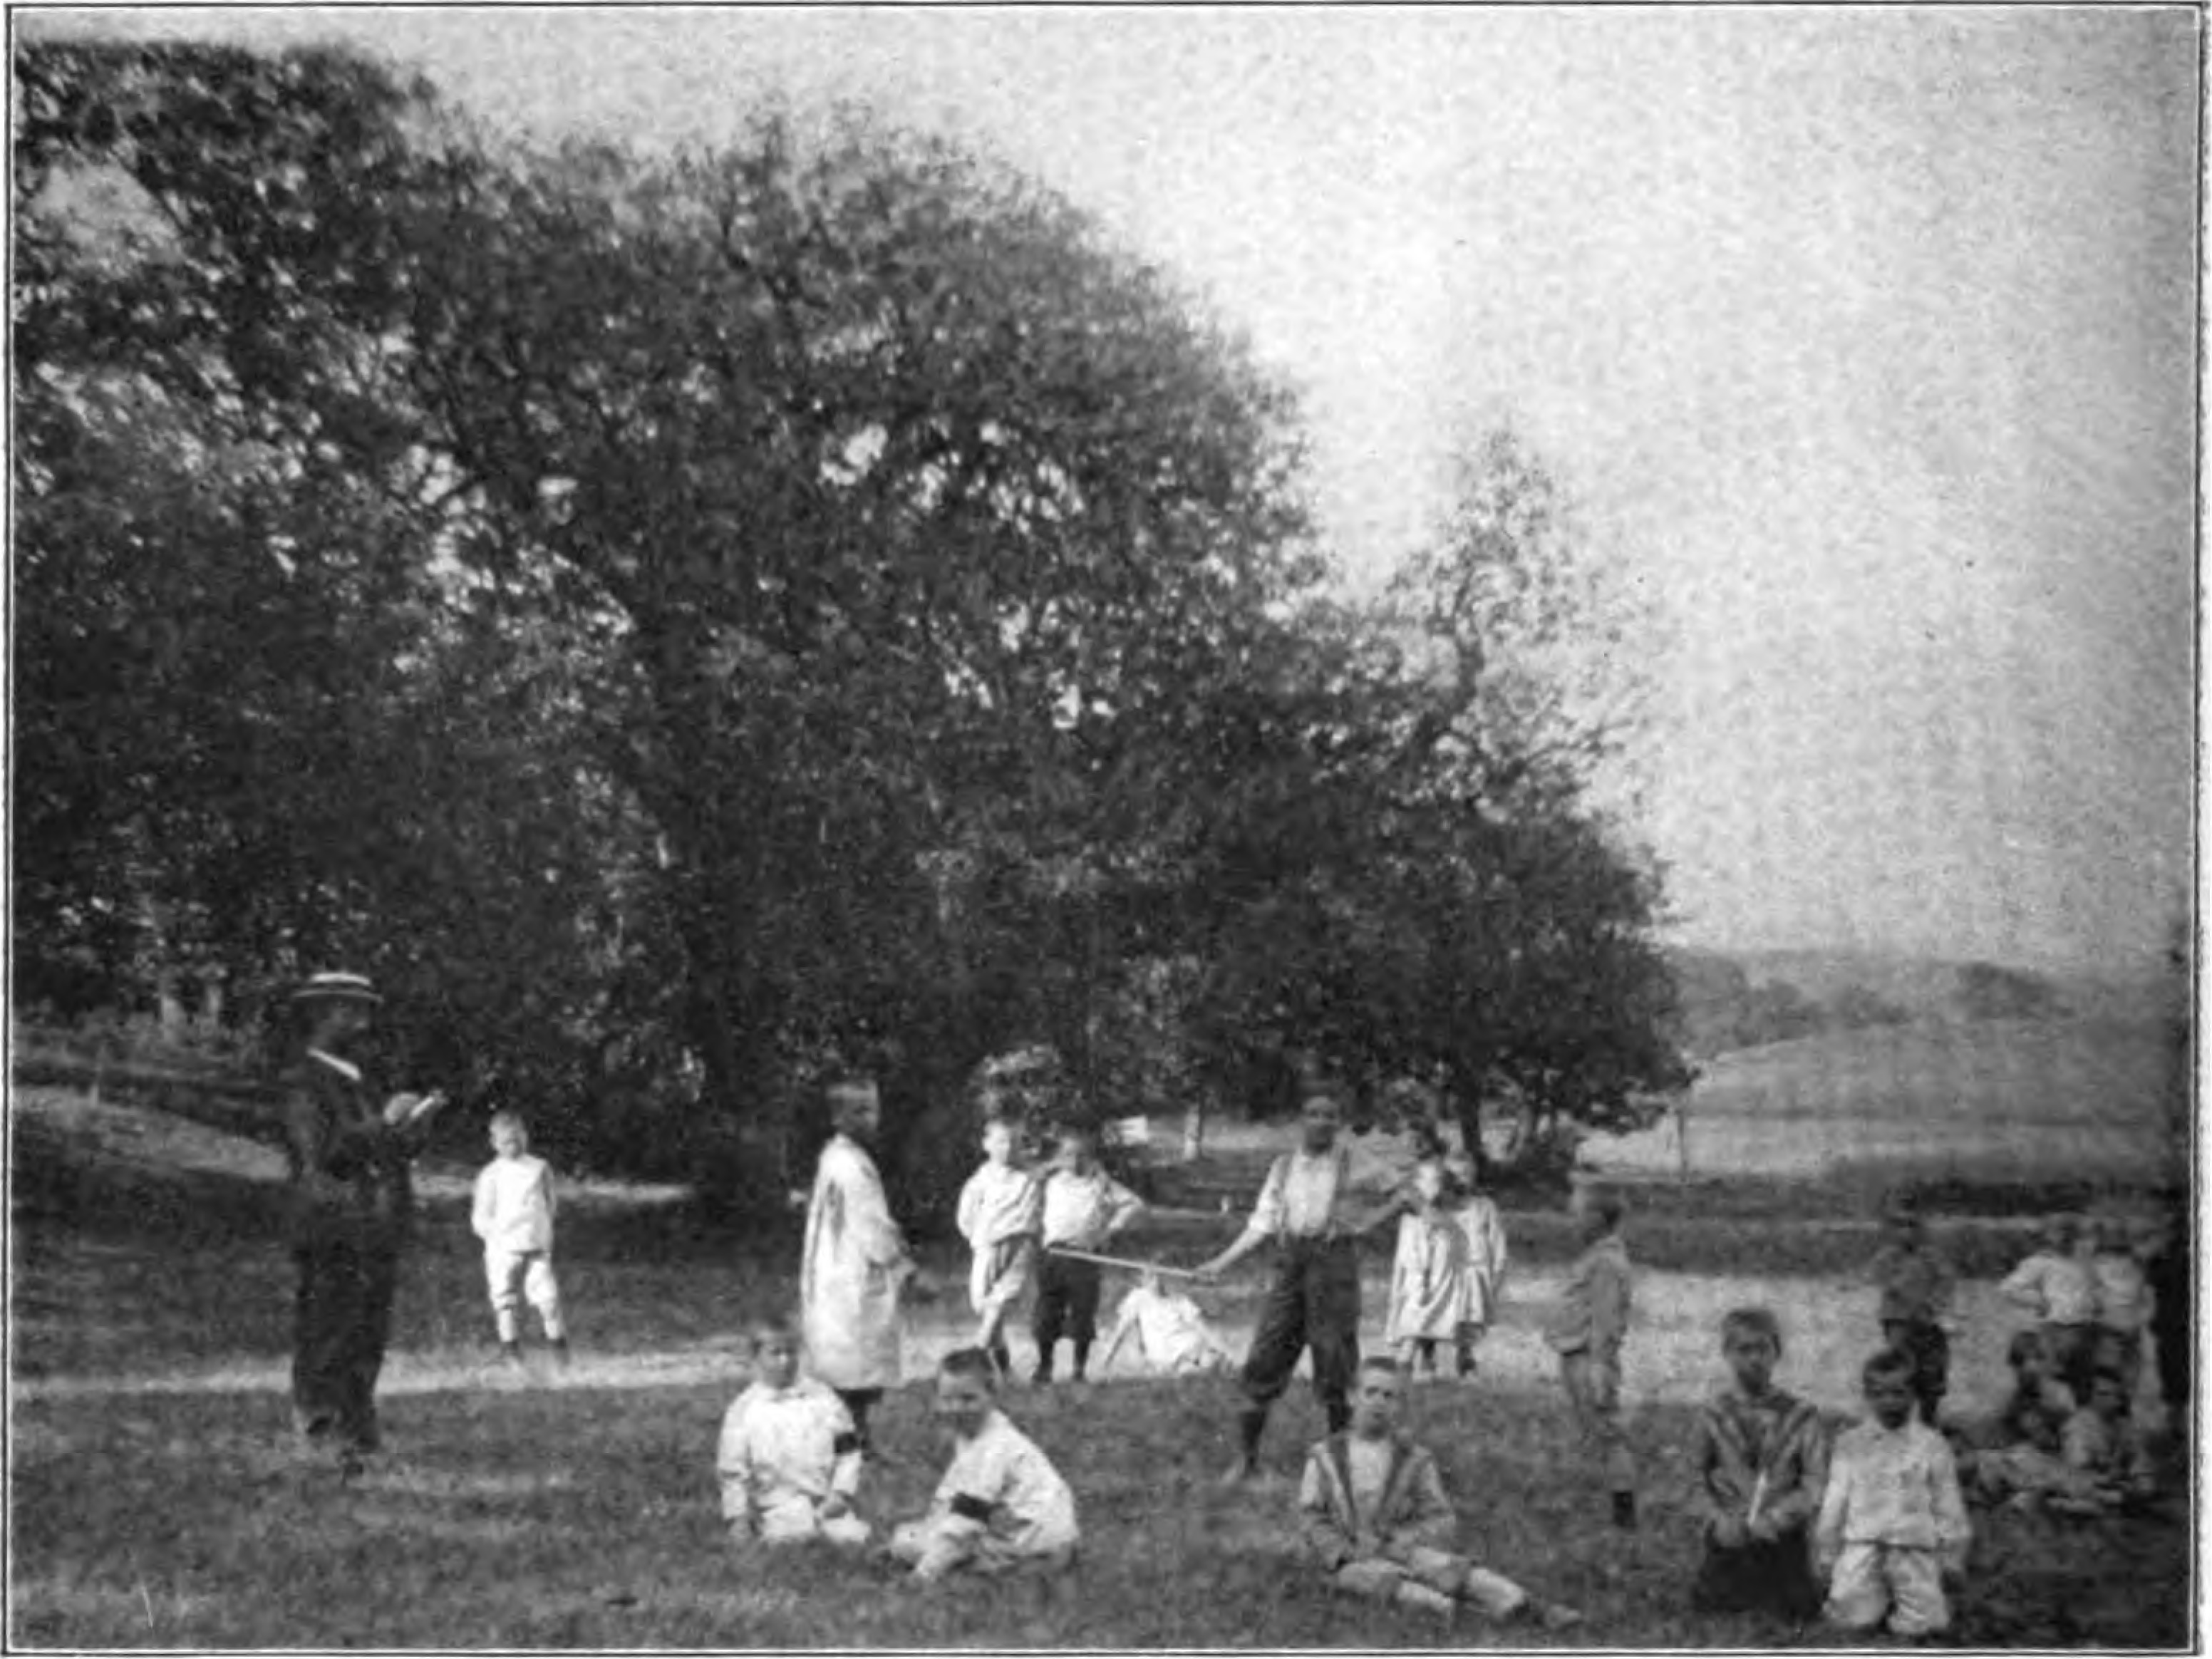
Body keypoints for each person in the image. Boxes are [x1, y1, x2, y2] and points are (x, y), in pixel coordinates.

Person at [281, 971, 453, 1478]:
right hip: (333, 1223)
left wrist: (412, 1128)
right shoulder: (302, 1080)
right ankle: (321, 1433)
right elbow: (325, 1155)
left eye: (364, 1010)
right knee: (329, 1332)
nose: (363, 1021)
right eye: (351, 1010)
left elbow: (381, 1149)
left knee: (367, 1334)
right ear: (322, 1013)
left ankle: (358, 1433)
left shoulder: (358, 1079)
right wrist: (387, 1123)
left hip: (374, 1225)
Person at [1195, 1091, 1405, 1483]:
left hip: (1333, 1270)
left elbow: (1403, 1190)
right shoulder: (1283, 1166)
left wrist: (1366, 1223)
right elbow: (1262, 1223)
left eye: (1330, 1115)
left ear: (1338, 1123)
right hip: (1290, 1268)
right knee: (1265, 1356)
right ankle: (1246, 1461)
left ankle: (1342, 1469)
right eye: (1314, 1114)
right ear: (1301, 1120)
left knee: (1335, 1364)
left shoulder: (1353, 1159)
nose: (1322, 1122)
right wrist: (1221, 1262)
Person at [1296, 1356, 1581, 1630]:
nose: (1379, 1402)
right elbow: (1311, 1516)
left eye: (1389, 1395)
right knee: (1382, 1581)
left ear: (1399, 1406)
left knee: (1450, 1569)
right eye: (1370, 1392)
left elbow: (1441, 1518)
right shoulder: (1325, 1457)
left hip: (1402, 1549)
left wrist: (1401, 1541)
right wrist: (1342, 1551)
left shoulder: (1415, 1459)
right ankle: (1452, 1612)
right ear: (1351, 1397)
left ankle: (1525, 1605)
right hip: (1350, 1559)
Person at [802, 1077, 929, 1455]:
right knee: (853, 1362)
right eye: (859, 1111)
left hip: (837, 1271)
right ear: (837, 1118)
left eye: (873, 1109)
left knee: (849, 1359)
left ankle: (855, 1438)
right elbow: (871, 1224)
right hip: (852, 1272)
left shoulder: (836, 1157)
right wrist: (905, 1268)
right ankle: (850, 1441)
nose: (871, 1119)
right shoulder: (850, 1167)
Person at [884, 1347, 1080, 1584]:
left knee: (909, 1544)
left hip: (1033, 1542)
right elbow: (953, 1494)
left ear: (992, 1394)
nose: (957, 1408)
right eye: (947, 1399)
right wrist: (932, 1523)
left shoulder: (993, 1448)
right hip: (1036, 1533)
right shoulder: (975, 1435)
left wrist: (924, 1573)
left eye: (968, 1399)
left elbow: (966, 1519)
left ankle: (1002, 1565)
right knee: (909, 1535)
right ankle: (980, 1560)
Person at [1814, 1349, 1972, 1639]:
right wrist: (1827, 1551)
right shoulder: (1850, 1444)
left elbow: (1948, 1503)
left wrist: (1953, 1555)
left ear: (1913, 1394)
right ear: (1867, 1396)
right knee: (1850, 1618)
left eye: (1898, 1393)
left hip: (1913, 1546)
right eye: (1879, 1394)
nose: (1888, 1402)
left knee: (1928, 1623)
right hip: (1863, 1544)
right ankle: (1868, 1603)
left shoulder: (1932, 1445)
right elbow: (1835, 1502)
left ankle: (1911, 1611)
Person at [1688, 1308, 1830, 1621]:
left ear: (1777, 1351)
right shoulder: (1713, 1414)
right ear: (1726, 1353)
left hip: (1779, 1533)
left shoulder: (1802, 1415)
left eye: (1763, 1348)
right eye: (1744, 1349)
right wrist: (1717, 1519)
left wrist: (1779, 1517)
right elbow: (1693, 1479)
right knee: (1714, 1606)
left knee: (1797, 1609)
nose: (1755, 1359)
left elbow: (1815, 1482)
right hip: (1730, 1530)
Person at [718, 1313, 871, 1548]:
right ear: (756, 1357)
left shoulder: (825, 1400)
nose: (785, 1361)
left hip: (825, 1502)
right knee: (787, 1539)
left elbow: (848, 1450)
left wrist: (841, 1492)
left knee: (851, 1538)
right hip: (776, 1505)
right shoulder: (744, 1410)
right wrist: (738, 1517)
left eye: (791, 1352)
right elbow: (732, 1470)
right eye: (775, 1353)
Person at [1547, 1179, 1638, 1528]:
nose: (1572, 1222)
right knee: (1594, 1432)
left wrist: (1600, 1367)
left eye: (1577, 1215)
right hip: (1576, 1356)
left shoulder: (1606, 1264)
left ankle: (1623, 1511)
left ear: (1597, 1219)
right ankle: (1604, 1498)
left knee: (1608, 1432)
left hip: (1589, 1359)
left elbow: (1606, 1320)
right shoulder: (1596, 1257)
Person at [1030, 1124, 1144, 1385]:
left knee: (1083, 1315)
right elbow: (1025, 1180)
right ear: (1059, 1156)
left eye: (1081, 1154)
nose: (1074, 1160)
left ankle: (1078, 1369)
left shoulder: (1099, 1183)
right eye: (1068, 1154)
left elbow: (1134, 1204)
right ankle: (1044, 1365)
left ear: (1091, 1157)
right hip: (1053, 1255)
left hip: (1085, 1258)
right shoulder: (1049, 1181)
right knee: (1047, 1313)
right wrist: (1048, 1167)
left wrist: (1111, 1228)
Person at [470, 1110, 569, 1370]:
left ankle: (560, 1358)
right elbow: (481, 1216)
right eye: (506, 1141)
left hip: (536, 1246)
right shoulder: (491, 1174)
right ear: (494, 1143)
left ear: (525, 1137)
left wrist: (541, 1231)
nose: (513, 1145)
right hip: (504, 1249)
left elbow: (551, 1204)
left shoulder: (539, 1168)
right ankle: (513, 1357)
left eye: (518, 1139)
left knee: (548, 1301)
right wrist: (495, 1236)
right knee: (505, 1302)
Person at [957, 1117, 1043, 1381]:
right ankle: (1005, 1371)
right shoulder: (980, 1180)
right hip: (986, 1246)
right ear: (987, 1145)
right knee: (984, 1306)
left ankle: (975, 1357)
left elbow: (1034, 1212)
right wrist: (978, 1238)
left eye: (1016, 1143)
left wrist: (1031, 1236)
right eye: (1002, 1142)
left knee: (1001, 1301)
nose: (1009, 1148)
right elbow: (966, 1215)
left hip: (1020, 1245)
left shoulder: (1028, 1177)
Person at [1865, 1199, 1956, 1427]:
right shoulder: (1887, 1256)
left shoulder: (1931, 1256)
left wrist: (1933, 1305)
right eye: (1900, 1226)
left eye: (1912, 1226)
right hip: (1899, 1321)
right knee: (1901, 1366)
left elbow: (1947, 1281)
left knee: (1932, 1372)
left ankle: (1929, 1421)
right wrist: (1895, 1285)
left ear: (1921, 1229)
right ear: (1892, 1230)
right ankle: (1896, 1419)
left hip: (1928, 1321)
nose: (1906, 1232)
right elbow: (1876, 1277)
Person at [1385, 1159, 1469, 1379]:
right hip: (1417, 1279)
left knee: (1431, 1319)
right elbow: (1410, 1254)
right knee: (1415, 1321)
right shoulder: (1411, 1220)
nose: (1434, 1187)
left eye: (1438, 1182)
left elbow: (1452, 1245)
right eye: (1428, 1182)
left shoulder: (1444, 1216)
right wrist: (1420, 1277)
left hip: (1439, 1278)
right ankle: (1404, 1365)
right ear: (1416, 1185)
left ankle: (1428, 1362)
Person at [1997, 1214, 2097, 1397]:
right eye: (2059, 1233)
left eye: (2070, 1233)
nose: (2066, 1238)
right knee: (2044, 1380)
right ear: (2049, 1236)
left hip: (2085, 1331)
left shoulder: (2086, 1262)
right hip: (2054, 1331)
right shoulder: (2041, 1262)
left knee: (2087, 1384)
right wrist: (2040, 1301)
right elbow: (2007, 1289)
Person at [1096, 1268, 1234, 1377]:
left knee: (1213, 1362)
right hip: (1168, 1357)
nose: (1156, 1282)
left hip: (1192, 1347)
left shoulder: (1179, 1299)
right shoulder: (1138, 1298)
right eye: (1151, 1277)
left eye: (1159, 1277)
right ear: (1142, 1280)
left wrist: (1224, 1350)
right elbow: (1121, 1331)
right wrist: (1105, 1362)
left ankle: (1216, 1365)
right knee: (1190, 1372)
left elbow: (1204, 1328)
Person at [2062, 1365, 2158, 1511]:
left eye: (2116, 1395)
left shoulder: (2122, 1424)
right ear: (2090, 1396)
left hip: (2115, 1483)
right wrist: (2113, 1470)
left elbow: (2140, 1464)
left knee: (2145, 1486)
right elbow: (2078, 1468)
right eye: (2103, 1394)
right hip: (2090, 1485)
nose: (2112, 1401)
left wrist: (2135, 1466)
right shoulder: (2076, 1426)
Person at [1451, 1166, 1508, 1380]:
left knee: (1471, 1318)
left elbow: (1496, 1239)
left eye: (1465, 1173)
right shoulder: (1441, 1207)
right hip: (1449, 1271)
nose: (1460, 1179)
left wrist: (1498, 1268)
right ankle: (1428, 1356)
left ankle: (1466, 1358)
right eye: (1455, 1174)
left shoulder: (1485, 1207)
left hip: (1475, 1269)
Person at [2088, 1214, 2153, 1397]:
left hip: (2119, 1327)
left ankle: (2120, 1408)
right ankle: (2119, 1407)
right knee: (2115, 1378)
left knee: (2117, 1378)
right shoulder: (2133, 1262)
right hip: (2117, 1327)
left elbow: (2142, 1295)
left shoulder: (2101, 1262)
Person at [2144, 1194, 2190, 1443]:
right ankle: (2177, 1428)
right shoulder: (2167, 1254)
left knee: (2178, 1378)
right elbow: (2152, 1277)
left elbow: (2158, 1277)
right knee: (2173, 1379)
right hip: (2171, 1325)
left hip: (2180, 1324)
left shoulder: (2181, 1254)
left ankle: (2179, 1427)